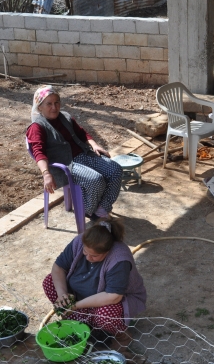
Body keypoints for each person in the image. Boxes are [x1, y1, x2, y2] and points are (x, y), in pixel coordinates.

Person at [42, 220, 147, 346]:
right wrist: (62, 295)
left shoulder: (119, 258)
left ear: (107, 251)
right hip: (81, 295)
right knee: (49, 282)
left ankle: (122, 337)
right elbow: (58, 268)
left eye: (94, 256)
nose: (87, 257)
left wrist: (75, 306)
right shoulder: (80, 241)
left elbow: (113, 296)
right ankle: (83, 324)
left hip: (111, 300)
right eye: (85, 252)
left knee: (105, 315)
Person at [27, 85, 123, 220]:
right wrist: (46, 173)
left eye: (56, 103)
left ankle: (101, 209)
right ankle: (88, 209)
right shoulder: (37, 127)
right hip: (66, 164)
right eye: (49, 104)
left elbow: (82, 133)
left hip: (84, 155)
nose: (54, 107)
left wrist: (94, 145)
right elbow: (38, 152)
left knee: (115, 170)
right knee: (95, 180)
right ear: (39, 106)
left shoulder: (65, 117)